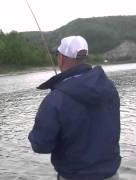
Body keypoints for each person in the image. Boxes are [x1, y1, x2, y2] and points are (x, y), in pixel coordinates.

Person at [28, 36, 121, 180]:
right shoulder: (110, 88)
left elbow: (41, 145)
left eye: (58, 54)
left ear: (62, 59)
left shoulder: (55, 100)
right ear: (83, 58)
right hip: (111, 175)